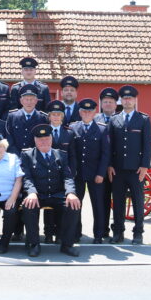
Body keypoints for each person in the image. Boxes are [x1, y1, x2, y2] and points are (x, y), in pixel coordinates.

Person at [21, 124, 81, 257]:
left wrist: (71, 193)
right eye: (40, 139)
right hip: (38, 195)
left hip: (57, 194)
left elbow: (67, 177)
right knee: (28, 206)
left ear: (51, 139)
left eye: (46, 138)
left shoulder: (61, 154)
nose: (43, 141)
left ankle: (67, 244)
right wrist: (31, 192)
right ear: (35, 140)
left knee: (73, 206)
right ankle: (34, 244)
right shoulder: (27, 155)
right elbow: (27, 177)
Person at [107, 85, 151, 245]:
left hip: (136, 169)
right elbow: (109, 145)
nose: (127, 101)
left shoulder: (144, 120)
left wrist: (145, 166)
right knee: (118, 202)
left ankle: (138, 232)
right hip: (118, 169)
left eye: (130, 98)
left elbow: (147, 146)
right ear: (121, 100)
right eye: (125, 98)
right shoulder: (114, 119)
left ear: (135, 100)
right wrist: (110, 165)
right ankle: (118, 232)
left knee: (138, 202)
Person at [69, 99, 110, 244]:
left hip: (95, 174)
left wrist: (101, 174)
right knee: (76, 205)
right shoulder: (73, 128)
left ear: (94, 113)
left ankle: (98, 235)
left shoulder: (102, 129)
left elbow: (105, 154)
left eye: (90, 111)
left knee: (98, 204)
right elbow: (71, 152)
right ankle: (76, 233)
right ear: (80, 112)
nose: (86, 113)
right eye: (84, 111)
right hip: (78, 174)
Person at [44, 99, 75, 243]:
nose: (56, 117)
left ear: (62, 117)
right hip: (47, 174)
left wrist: (72, 173)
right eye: (53, 114)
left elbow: (73, 155)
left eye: (59, 114)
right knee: (48, 207)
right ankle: (48, 233)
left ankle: (60, 233)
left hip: (64, 174)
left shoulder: (69, 133)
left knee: (61, 205)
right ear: (49, 116)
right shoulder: (44, 132)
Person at [94, 87, 119, 239]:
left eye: (111, 102)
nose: (108, 104)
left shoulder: (121, 119)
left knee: (117, 200)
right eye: (105, 102)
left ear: (116, 104)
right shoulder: (95, 119)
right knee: (102, 200)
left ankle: (117, 229)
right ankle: (102, 230)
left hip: (118, 168)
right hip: (101, 168)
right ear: (101, 104)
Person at [5, 84, 48, 153]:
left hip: (35, 157)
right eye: (26, 99)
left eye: (31, 99)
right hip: (16, 156)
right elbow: (9, 138)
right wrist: (16, 155)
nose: (29, 102)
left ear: (36, 101)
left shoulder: (43, 118)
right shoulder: (12, 116)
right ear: (21, 101)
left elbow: (44, 140)